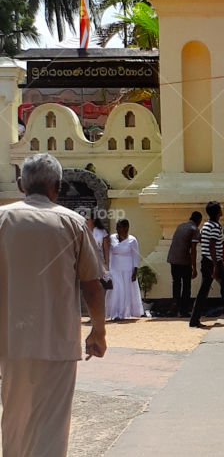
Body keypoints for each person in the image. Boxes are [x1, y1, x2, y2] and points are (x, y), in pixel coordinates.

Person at [0, 154, 106, 457]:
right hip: (58, 341)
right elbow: (92, 286)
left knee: (15, 422)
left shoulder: (3, 220)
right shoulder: (73, 223)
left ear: (22, 184)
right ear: (57, 187)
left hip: (12, 342)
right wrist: (98, 332)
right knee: (52, 425)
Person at [190, 200, 224, 327]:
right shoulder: (216, 227)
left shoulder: (206, 225)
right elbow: (212, 245)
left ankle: (194, 319)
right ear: (218, 212)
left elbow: (201, 239)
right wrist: (216, 266)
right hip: (214, 261)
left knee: (204, 289)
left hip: (205, 260)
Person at [106, 219, 145, 320]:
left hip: (127, 269)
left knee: (125, 291)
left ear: (126, 228)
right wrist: (107, 270)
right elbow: (108, 253)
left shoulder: (132, 240)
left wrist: (135, 272)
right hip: (114, 268)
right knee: (116, 290)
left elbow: (135, 256)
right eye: (117, 227)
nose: (118, 229)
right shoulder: (112, 238)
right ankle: (114, 313)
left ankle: (123, 313)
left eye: (120, 227)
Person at [167, 210, 202, 317]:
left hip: (173, 259)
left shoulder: (181, 226)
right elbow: (193, 250)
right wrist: (194, 268)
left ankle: (174, 308)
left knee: (176, 284)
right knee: (186, 286)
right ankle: (184, 310)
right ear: (199, 221)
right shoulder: (195, 229)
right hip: (184, 260)